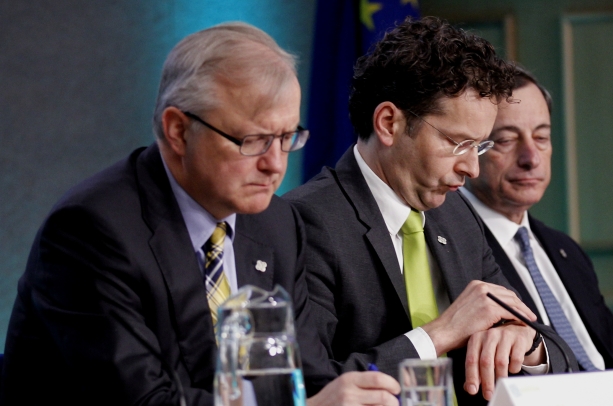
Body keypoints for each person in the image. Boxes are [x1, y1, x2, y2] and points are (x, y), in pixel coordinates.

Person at [1, 22, 401, 406]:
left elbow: (307, 376)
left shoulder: (278, 224)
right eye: (254, 140)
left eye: (286, 138)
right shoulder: (91, 232)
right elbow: (145, 400)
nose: (275, 165)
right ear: (178, 130)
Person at [284, 16, 576, 405]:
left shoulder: (456, 214)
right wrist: (439, 334)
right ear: (389, 123)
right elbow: (310, 387)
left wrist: (527, 342)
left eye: (480, 146)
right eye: (458, 144)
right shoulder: (304, 221)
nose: (472, 168)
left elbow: (557, 350)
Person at [462, 66, 613, 395]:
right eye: (506, 140)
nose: (531, 157)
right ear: (469, 146)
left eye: (542, 137)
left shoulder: (567, 251)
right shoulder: (450, 247)